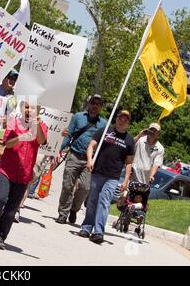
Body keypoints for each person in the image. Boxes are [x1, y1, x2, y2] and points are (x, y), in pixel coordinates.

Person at [0, 101, 47, 250]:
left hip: (23, 174)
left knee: (11, 209)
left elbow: (42, 141)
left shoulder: (41, 127)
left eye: (33, 108)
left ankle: (0, 237)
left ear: (39, 110)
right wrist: (21, 137)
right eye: (27, 107)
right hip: (6, 170)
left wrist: (36, 126)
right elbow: (7, 144)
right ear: (22, 108)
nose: (30, 110)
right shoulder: (14, 123)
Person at [78, 109, 135, 244]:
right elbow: (91, 145)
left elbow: (129, 163)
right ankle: (86, 227)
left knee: (104, 201)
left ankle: (98, 232)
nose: (122, 121)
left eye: (125, 119)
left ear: (128, 123)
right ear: (116, 118)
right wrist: (89, 160)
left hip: (113, 177)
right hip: (98, 172)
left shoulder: (130, 140)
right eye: (121, 118)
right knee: (92, 200)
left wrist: (126, 180)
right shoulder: (105, 131)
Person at [55, 94, 107, 224]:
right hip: (74, 155)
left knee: (85, 187)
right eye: (93, 103)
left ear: (101, 107)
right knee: (67, 185)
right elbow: (69, 135)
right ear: (89, 103)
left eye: (98, 104)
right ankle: (63, 213)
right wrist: (58, 150)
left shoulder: (104, 124)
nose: (95, 106)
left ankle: (74, 209)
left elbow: (103, 144)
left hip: (89, 160)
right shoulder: (78, 117)